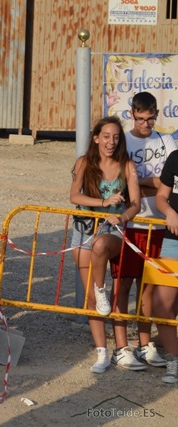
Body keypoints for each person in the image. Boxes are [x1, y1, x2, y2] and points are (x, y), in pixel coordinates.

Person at [69, 116, 140, 374]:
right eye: (106, 136)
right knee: (90, 298)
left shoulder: (127, 166)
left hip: (113, 230)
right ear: (96, 138)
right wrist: (104, 203)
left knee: (101, 249)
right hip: (83, 229)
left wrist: (121, 215)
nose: (111, 142)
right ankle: (102, 352)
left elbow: (135, 203)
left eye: (116, 137)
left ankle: (102, 290)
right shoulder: (84, 163)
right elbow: (74, 195)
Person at [110, 92, 176, 369]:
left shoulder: (167, 141)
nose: (146, 124)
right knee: (122, 284)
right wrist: (152, 184)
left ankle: (145, 344)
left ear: (156, 114)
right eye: (140, 119)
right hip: (130, 222)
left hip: (159, 223)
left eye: (150, 119)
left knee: (149, 289)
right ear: (132, 115)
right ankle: (121, 346)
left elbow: (166, 184)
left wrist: (143, 183)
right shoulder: (122, 140)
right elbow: (121, 182)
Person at [154, 148, 178, 384]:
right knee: (162, 306)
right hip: (174, 243)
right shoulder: (175, 158)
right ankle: (174, 360)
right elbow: (161, 196)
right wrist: (169, 211)